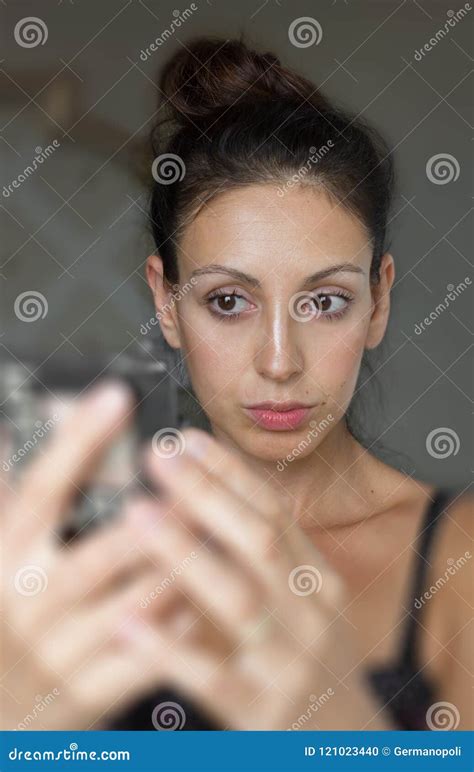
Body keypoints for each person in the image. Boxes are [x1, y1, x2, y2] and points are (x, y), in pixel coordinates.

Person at [1, 37, 472, 732]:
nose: (279, 363)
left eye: (325, 301)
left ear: (379, 301)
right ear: (166, 303)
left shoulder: (458, 558)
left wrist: (342, 725)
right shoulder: (70, 562)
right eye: (228, 301)